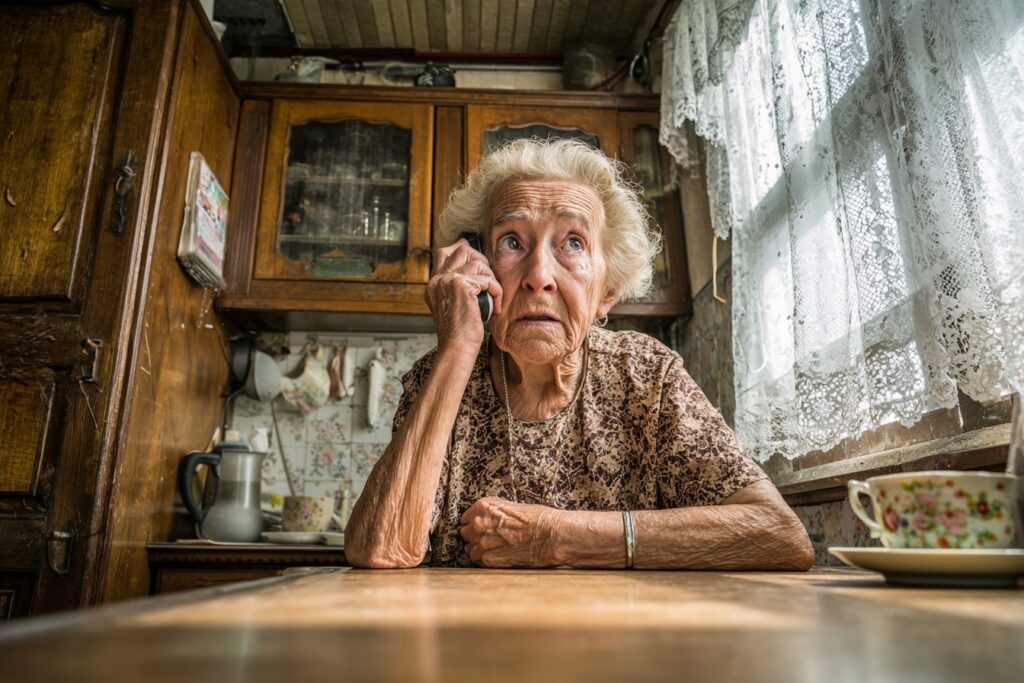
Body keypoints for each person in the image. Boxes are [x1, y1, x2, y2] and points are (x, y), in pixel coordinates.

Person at [345, 139, 813, 570]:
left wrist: (559, 536)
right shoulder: (440, 375)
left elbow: (778, 534)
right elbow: (382, 547)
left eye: (573, 242)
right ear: (479, 265)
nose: (539, 276)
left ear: (606, 291)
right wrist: (458, 345)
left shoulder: (647, 376)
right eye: (512, 241)